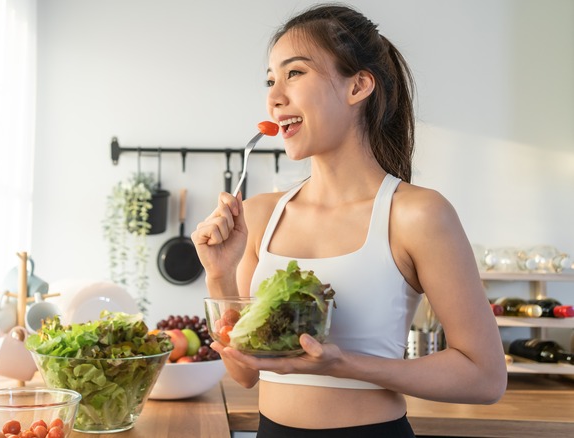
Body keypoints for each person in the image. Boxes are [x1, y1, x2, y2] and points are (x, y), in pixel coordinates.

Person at [191, 4, 507, 437]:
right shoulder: (262, 214)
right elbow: (245, 374)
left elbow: (485, 376)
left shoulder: (416, 214)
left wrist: (344, 363)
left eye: (295, 73)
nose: (274, 96)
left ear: (358, 86)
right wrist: (219, 277)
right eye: (270, 80)